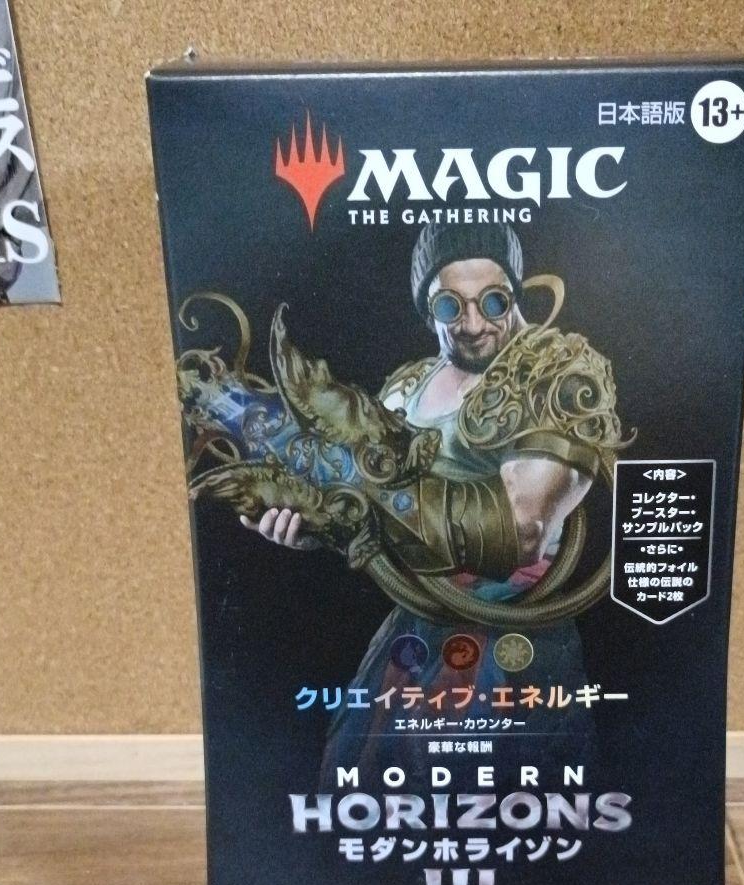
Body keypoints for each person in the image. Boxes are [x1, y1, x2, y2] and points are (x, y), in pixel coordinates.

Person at [242, 223, 621, 780]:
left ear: (516, 295)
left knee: (504, 790)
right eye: (450, 306)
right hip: (417, 627)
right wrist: (312, 524)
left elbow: (521, 528)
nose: (473, 324)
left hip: (515, 636)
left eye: (493, 302)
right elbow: (360, 511)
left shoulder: (557, 374)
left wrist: (361, 503)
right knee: (370, 785)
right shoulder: (406, 388)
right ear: (427, 310)